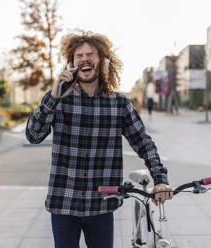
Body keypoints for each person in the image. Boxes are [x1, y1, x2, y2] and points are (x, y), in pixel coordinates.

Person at [25, 31, 173, 248]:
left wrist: (160, 179)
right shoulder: (59, 101)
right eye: (78, 56)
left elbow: (144, 143)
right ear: (71, 64)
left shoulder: (119, 103)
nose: (84, 59)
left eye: (90, 54)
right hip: (64, 203)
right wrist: (53, 97)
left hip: (101, 205)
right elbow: (33, 136)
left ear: (103, 61)